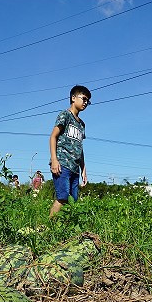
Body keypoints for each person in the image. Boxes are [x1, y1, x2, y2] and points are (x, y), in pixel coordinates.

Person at [49, 85, 91, 217]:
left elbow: (80, 147)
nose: (85, 102)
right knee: (62, 197)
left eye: (87, 101)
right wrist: (54, 160)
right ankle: (48, 228)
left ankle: (65, 230)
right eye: (83, 98)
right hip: (62, 164)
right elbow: (53, 136)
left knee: (73, 202)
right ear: (73, 98)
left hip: (75, 168)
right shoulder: (65, 115)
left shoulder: (81, 124)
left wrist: (83, 170)